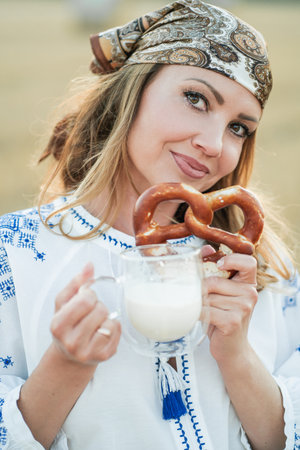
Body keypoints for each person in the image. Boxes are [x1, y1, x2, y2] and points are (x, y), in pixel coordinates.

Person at [0, 0, 299, 448]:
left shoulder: (261, 265)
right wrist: (66, 366)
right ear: (131, 94)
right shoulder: (15, 253)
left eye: (240, 128)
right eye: (195, 99)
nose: (215, 144)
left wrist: (235, 354)